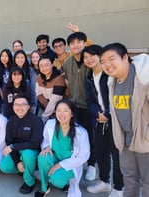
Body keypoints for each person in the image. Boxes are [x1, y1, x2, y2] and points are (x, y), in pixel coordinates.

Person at [101, 43, 149, 197]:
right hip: (125, 141)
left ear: (125, 58)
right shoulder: (112, 82)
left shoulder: (143, 77)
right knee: (129, 179)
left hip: (145, 141)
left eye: (112, 59)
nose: (107, 65)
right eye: (103, 62)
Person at [83, 45, 124, 196]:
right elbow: (90, 100)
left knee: (117, 154)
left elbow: (118, 98)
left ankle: (119, 188)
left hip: (115, 120)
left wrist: (108, 114)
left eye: (92, 56)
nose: (89, 59)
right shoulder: (88, 77)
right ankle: (105, 182)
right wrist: (98, 113)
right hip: (99, 120)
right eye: (86, 57)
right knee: (101, 152)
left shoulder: (111, 74)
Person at [35, 99, 90, 197]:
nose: (61, 114)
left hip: (70, 164)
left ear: (72, 114)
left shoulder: (81, 132)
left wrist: (60, 165)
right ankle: (44, 187)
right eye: (59, 110)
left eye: (65, 110)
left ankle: (66, 183)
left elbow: (83, 157)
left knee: (57, 179)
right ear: (55, 112)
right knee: (42, 157)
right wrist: (46, 146)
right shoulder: (50, 124)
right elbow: (46, 139)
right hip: (54, 157)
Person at [62, 31, 96, 181]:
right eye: (72, 43)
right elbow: (68, 82)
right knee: (75, 136)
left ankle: (92, 165)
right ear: (69, 46)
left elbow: (96, 50)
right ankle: (79, 162)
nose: (75, 45)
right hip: (73, 105)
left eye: (79, 42)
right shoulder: (67, 63)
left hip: (90, 106)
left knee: (91, 136)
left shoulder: (90, 60)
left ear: (84, 43)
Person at [0, 95, 43, 194]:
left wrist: (13, 147)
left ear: (28, 107)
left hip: (31, 151)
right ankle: (26, 169)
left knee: (27, 155)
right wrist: (17, 162)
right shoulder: (10, 121)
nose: (20, 107)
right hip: (17, 151)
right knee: (4, 167)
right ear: (13, 106)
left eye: (23, 104)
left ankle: (29, 182)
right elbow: (9, 142)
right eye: (17, 104)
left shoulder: (36, 121)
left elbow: (35, 143)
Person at [36, 56, 66, 122]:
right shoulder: (39, 77)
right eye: (41, 66)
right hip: (44, 105)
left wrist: (44, 116)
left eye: (46, 65)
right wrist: (45, 104)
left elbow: (55, 100)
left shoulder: (59, 79)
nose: (44, 68)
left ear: (52, 65)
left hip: (57, 108)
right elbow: (38, 93)